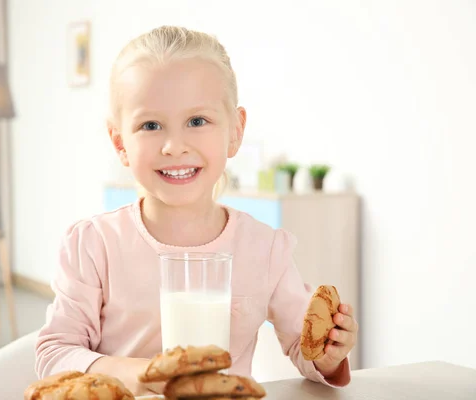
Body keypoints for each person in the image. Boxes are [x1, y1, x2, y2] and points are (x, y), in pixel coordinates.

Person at [35, 25, 358, 395]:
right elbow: (55, 355)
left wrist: (329, 354)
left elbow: (305, 348)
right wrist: (147, 375)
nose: (175, 146)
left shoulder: (264, 249)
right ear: (120, 142)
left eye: (197, 121)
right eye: (151, 125)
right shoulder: (94, 245)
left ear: (235, 130)